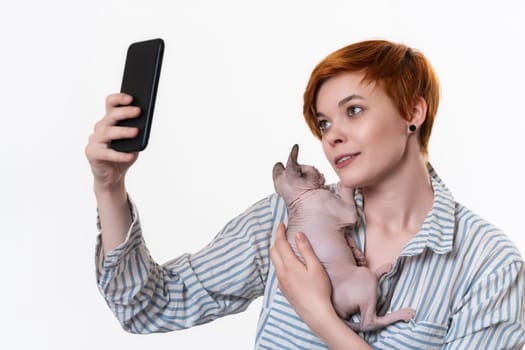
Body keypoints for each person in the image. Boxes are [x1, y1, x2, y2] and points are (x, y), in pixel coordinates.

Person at [86, 39, 525, 349]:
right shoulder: (287, 219)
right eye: (324, 123)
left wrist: (320, 317)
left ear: (413, 112)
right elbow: (150, 306)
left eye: (353, 110)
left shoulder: (489, 266)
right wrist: (110, 186)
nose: (332, 137)